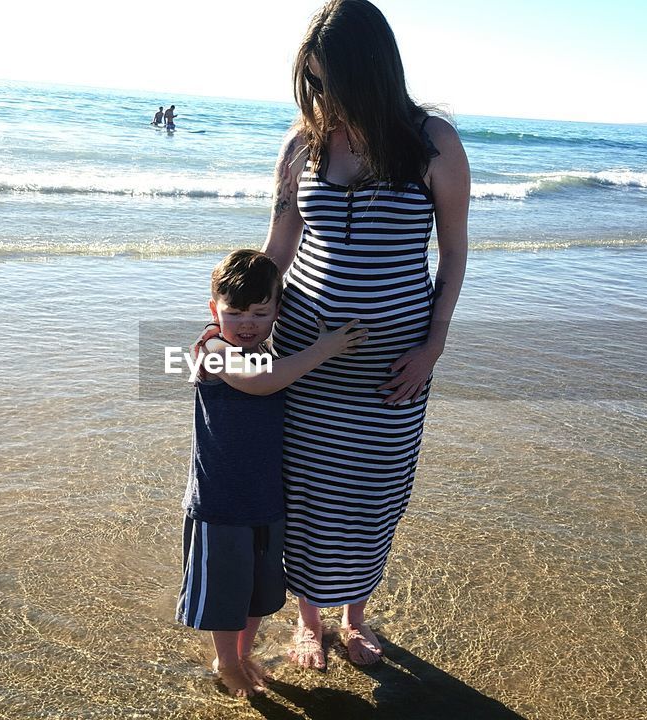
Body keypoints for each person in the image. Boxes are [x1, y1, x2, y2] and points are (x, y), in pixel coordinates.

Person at [262, 0, 470, 669]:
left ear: (371, 71)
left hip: (394, 365)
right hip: (304, 358)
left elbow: (456, 252)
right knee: (307, 494)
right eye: (315, 84)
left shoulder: (433, 143)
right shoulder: (302, 144)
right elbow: (279, 248)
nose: (324, 97)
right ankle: (307, 621)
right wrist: (233, 315)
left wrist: (433, 345)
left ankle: (355, 618)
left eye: (334, 82)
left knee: (373, 494)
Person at [177, 249, 366, 697]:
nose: (247, 323)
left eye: (260, 313)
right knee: (225, 593)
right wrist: (324, 349)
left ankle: (243, 652)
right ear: (213, 312)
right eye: (235, 312)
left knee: (258, 591)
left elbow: (274, 370)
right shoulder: (213, 350)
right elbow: (261, 381)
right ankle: (226, 661)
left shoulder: (266, 351)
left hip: (266, 498)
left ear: (277, 311)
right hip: (220, 502)